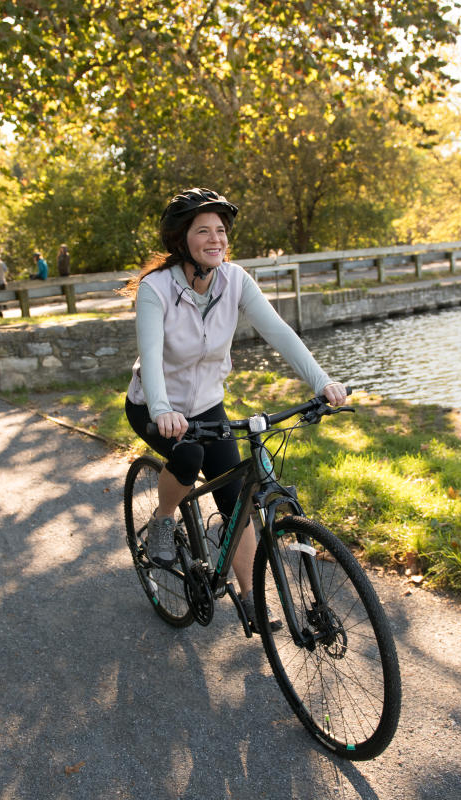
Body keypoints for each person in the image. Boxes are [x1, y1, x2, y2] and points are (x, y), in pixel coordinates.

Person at [122, 188, 346, 628]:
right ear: (181, 240)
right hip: (154, 405)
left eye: (220, 231)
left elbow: (279, 333)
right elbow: (150, 357)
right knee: (188, 454)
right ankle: (165, 520)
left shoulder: (235, 280)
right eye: (203, 230)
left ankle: (250, 600)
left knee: (236, 500)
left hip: (207, 406)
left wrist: (322, 381)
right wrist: (164, 409)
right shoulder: (156, 289)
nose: (215, 239)